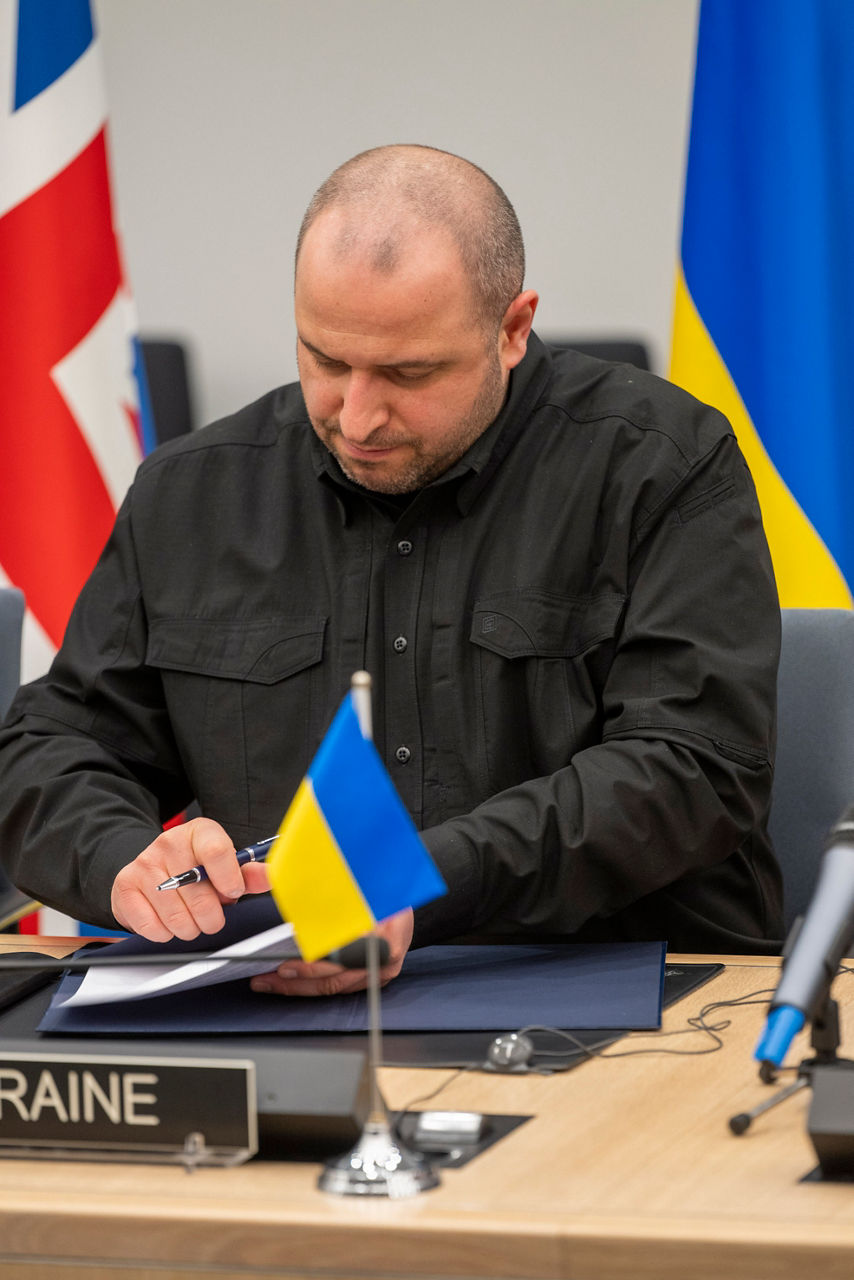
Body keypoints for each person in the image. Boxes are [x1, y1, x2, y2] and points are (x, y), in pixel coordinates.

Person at [0, 144, 783, 997]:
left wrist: (415, 882)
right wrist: (125, 860)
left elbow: (696, 766)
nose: (358, 416)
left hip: (620, 989)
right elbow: (51, 749)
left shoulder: (659, 465)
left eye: (410, 373)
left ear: (513, 328)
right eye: (326, 360)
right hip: (279, 1001)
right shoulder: (191, 494)